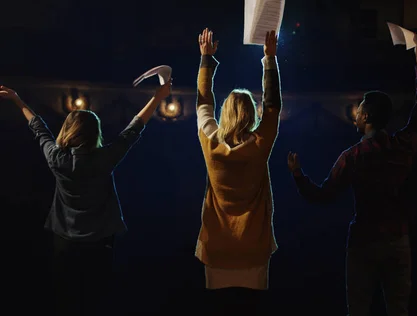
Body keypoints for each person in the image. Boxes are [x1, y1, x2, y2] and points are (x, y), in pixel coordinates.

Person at [287, 38, 417, 316]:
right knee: (399, 310)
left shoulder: (353, 157)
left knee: (358, 309)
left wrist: (297, 174)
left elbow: (323, 194)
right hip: (398, 239)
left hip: (364, 241)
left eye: (359, 110)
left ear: (366, 116)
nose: (355, 114)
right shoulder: (402, 146)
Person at [0, 81, 172, 316]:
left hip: (64, 240)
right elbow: (134, 128)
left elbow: (38, 128)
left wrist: (18, 100)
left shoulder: (56, 158)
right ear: (95, 133)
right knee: (96, 299)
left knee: (66, 299)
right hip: (100, 241)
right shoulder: (105, 158)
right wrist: (157, 97)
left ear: (68, 130)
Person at [194, 28, 281, 315]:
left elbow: (203, 103)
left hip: (217, 246)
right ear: (251, 115)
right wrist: (269, 59)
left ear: (226, 113)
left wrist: (206, 60)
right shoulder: (260, 144)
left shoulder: (211, 140)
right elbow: (273, 106)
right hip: (253, 247)